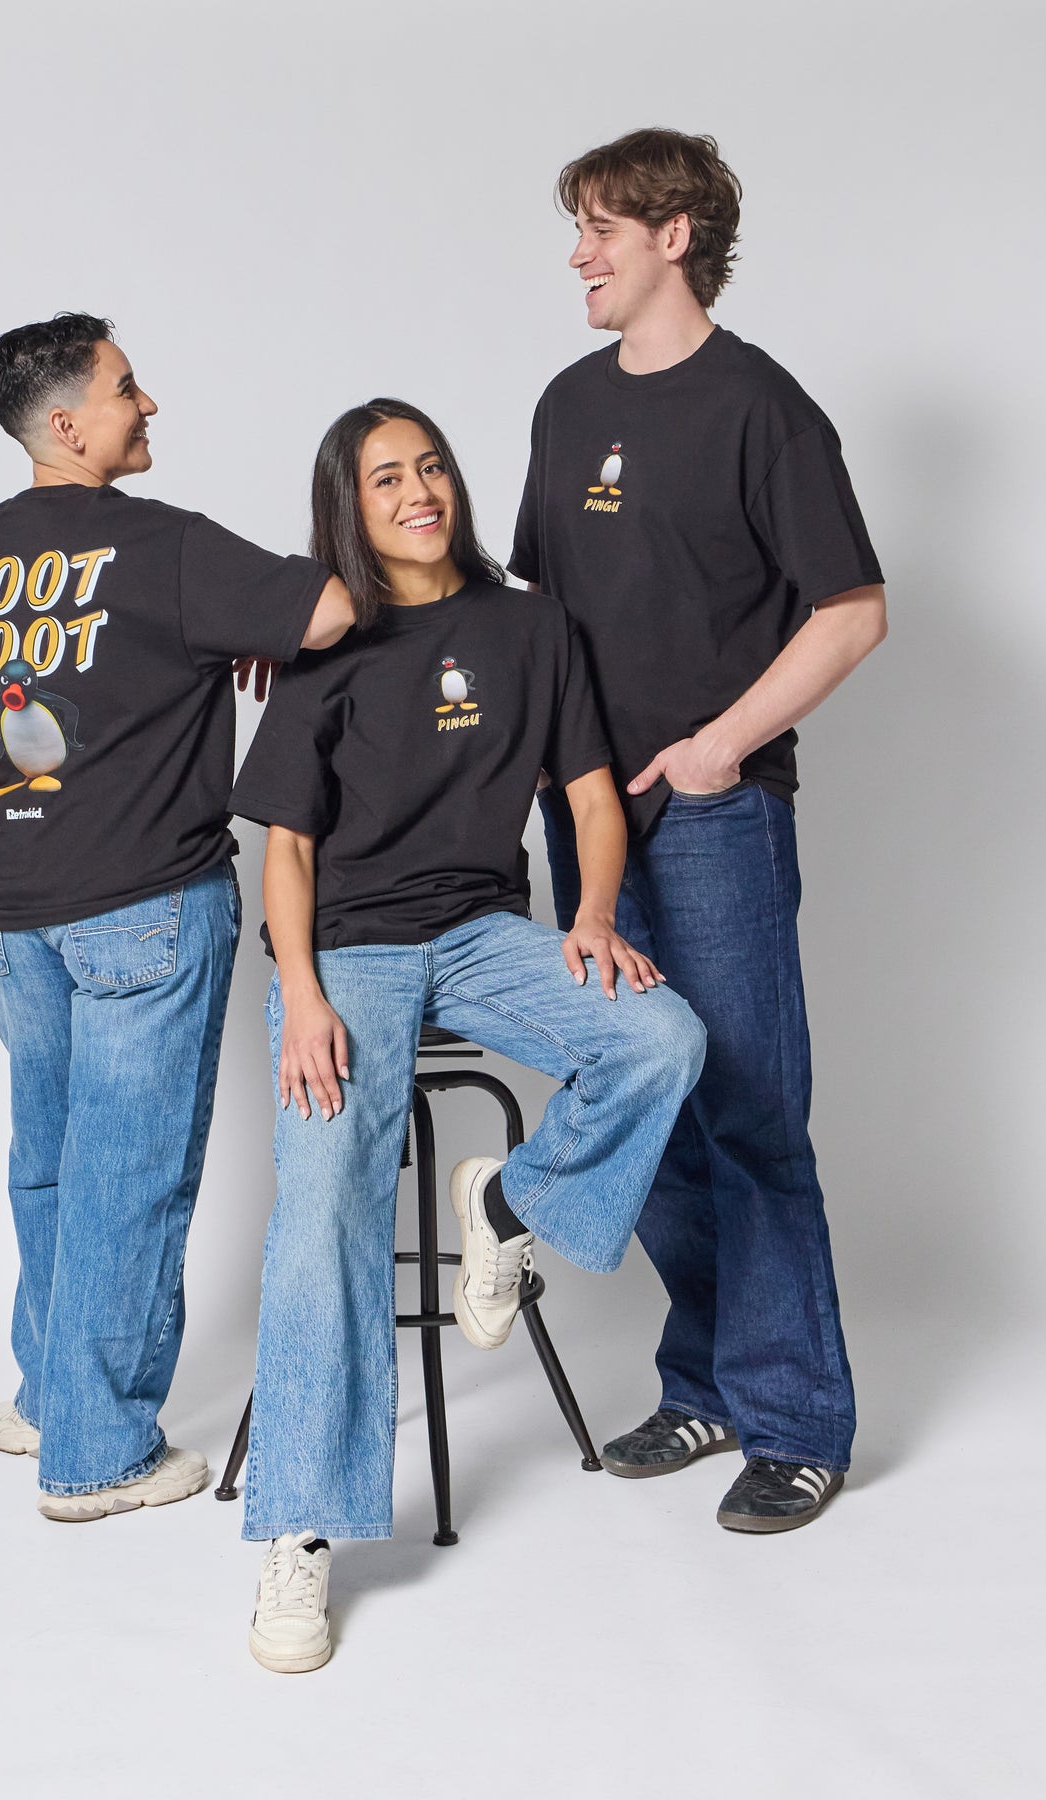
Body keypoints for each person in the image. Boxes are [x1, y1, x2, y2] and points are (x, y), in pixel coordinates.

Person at [228, 398, 707, 1672]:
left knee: (660, 1039)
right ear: (351, 506)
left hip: (486, 932)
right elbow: (286, 848)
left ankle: (507, 1208)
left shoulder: (530, 626)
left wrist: (593, 916)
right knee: (325, 1205)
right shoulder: (326, 646)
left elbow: (591, 796)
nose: (418, 492)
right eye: (386, 478)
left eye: (430, 466)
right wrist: (303, 993)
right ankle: (300, 1532)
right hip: (347, 952)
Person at [513, 129, 888, 1532]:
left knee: (748, 1113)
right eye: (576, 229)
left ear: (675, 235)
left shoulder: (762, 409)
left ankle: (797, 1423)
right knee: (648, 1096)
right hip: (586, 817)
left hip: (716, 821)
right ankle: (710, 1385)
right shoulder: (565, 405)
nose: (578, 255)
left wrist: (723, 746)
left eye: (599, 228)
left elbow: (852, 609)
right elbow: (537, 617)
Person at [0, 312, 353, 1521]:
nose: (149, 402)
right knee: (130, 1180)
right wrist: (259, 635)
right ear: (68, 425)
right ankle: (99, 1453)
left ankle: (47, 1397)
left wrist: (39, 846)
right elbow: (330, 612)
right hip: (142, 909)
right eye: (127, 388)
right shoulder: (160, 545)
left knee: (52, 1164)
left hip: (11, 917)